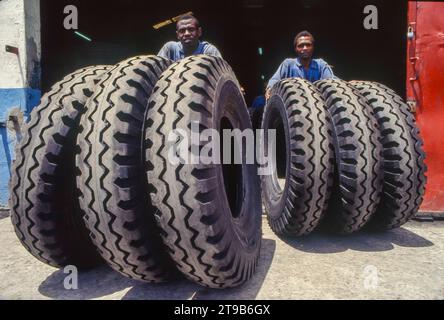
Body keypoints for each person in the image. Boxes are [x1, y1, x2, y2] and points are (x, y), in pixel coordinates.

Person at [266, 31, 334, 99]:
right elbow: (275, 80)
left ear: (313, 47)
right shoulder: (288, 64)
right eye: (301, 46)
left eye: (308, 45)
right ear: (296, 49)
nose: (305, 48)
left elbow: (332, 81)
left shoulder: (320, 64)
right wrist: (269, 89)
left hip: (319, 104)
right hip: (293, 104)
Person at [157, 14, 222, 61]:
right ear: (177, 35)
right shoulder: (170, 49)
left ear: (199, 32)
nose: (186, 34)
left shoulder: (209, 51)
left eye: (191, 29)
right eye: (182, 31)